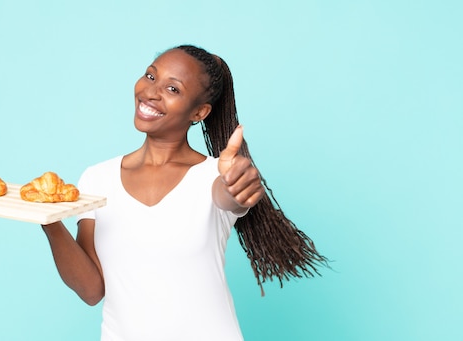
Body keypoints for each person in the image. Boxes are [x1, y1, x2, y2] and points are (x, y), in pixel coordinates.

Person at [41, 44, 328, 341]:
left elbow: (226, 195)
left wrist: (236, 183)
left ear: (199, 112)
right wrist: (49, 220)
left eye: (173, 89)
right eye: (151, 77)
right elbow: (91, 290)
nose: (151, 92)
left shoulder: (215, 175)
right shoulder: (97, 178)